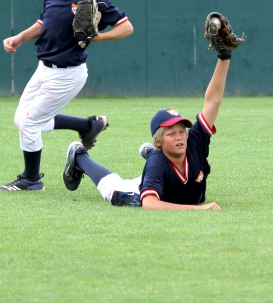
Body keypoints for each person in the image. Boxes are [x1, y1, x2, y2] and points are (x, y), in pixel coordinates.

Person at [0, 0, 133, 191]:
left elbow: (126, 27)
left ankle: (31, 179)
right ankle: (88, 126)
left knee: (29, 122)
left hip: (68, 73)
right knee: (22, 120)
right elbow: (43, 20)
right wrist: (20, 38)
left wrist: (98, 37)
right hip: (44, 68)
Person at [62, 49, 234, 209]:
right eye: (171, 133)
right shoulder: (158, 164)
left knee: (161, 163)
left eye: (182, 131)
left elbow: (212, 101)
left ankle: (150, 152)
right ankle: (78, 155)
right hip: (139, 189)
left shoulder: (194, 142)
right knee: (111, 186)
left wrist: (224, 56)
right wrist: (198, 210)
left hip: (162, 167)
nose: (180, 137)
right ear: (158, 141)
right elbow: (150, 204)